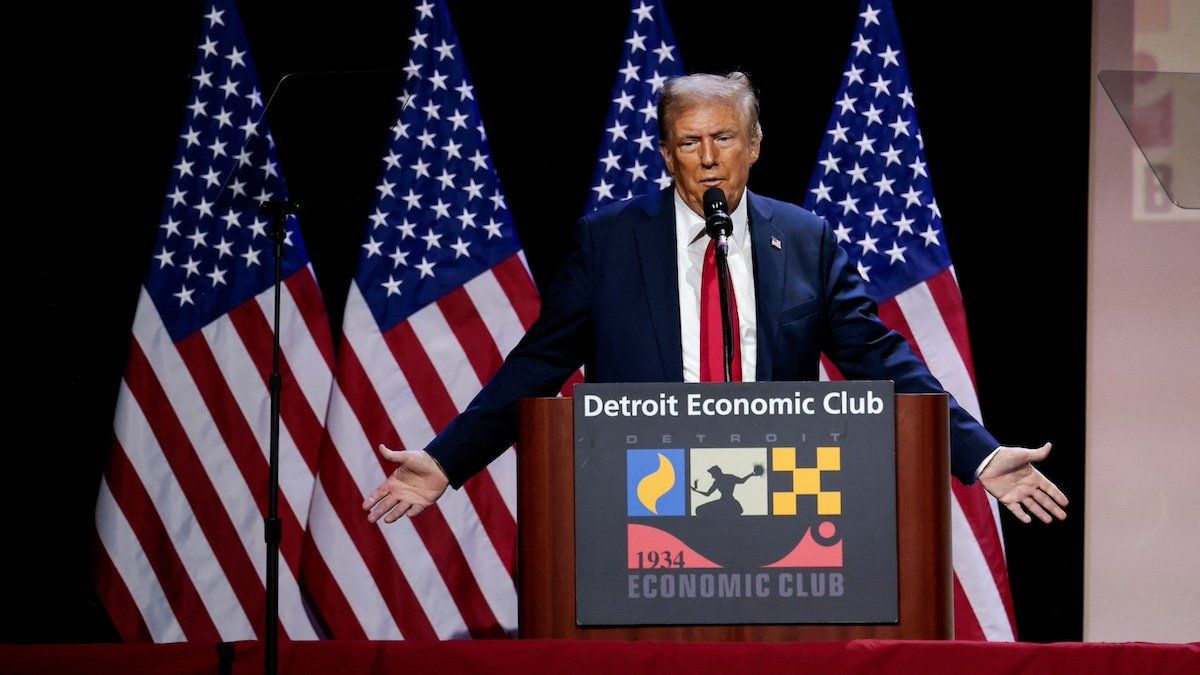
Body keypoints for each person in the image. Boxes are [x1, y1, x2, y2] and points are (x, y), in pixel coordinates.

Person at [363, 72, 1068, 528]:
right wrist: (448, 459)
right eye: (689, 141)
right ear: (666, 155)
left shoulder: (805, 239)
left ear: (754, 145)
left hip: (781, 498)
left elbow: (881, 358)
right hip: (646, 495)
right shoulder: (609, 244)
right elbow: (536, 364)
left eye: (723, 138)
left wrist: (977, 454)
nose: (707, 158)